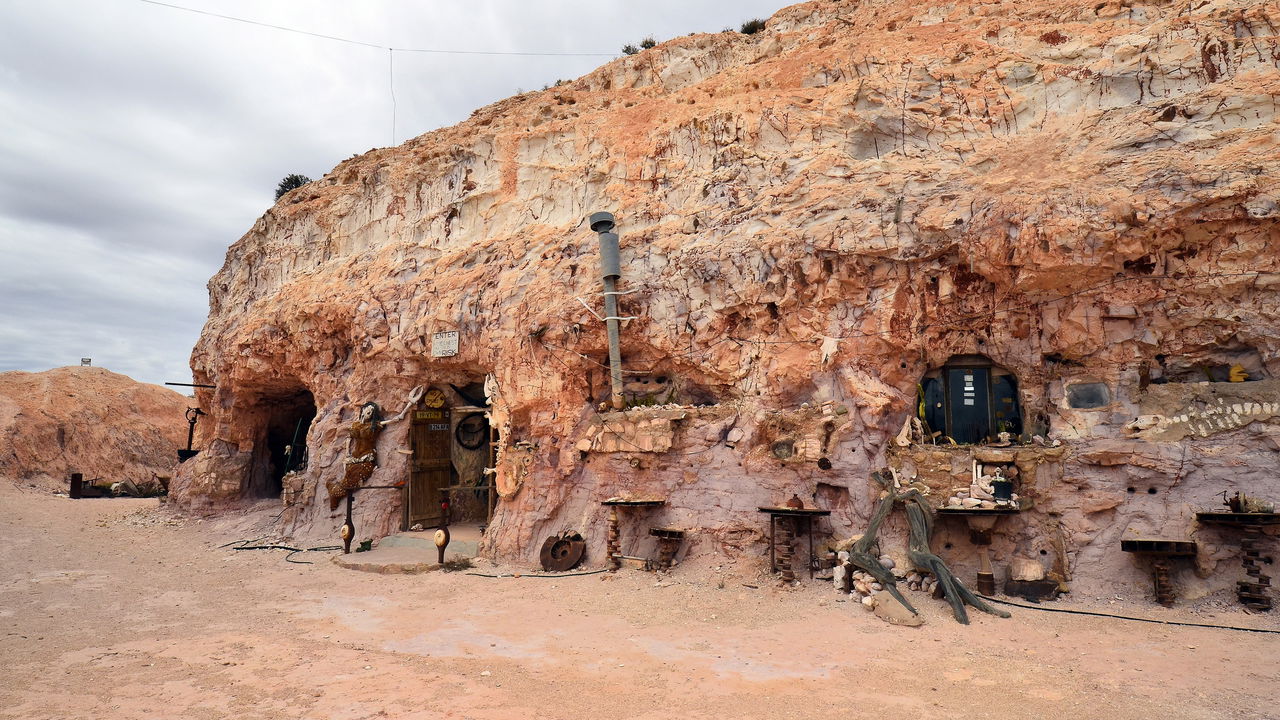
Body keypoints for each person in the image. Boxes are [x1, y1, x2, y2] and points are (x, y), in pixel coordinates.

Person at [327, 386, 424, 510]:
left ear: (373, 414)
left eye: (371, 410)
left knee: (354, 481)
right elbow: (349, 438)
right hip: (354, 457)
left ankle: (334, 493)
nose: (368, 411)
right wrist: (347, 454)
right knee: (347, 479)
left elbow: (395, 419)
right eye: (367, 409)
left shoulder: (374, 425)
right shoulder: (356, 425)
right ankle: (333, 493)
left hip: (367, 456)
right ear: (363, 410)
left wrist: (407, 406)